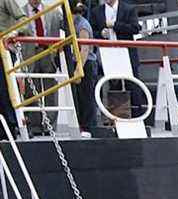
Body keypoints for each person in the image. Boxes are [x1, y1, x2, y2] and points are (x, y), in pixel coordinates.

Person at [89, 0, 143, 117]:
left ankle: (138, 117)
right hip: (108, 54)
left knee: (132, 84)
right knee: (113, 85)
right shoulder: (96, 12)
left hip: (127, 53)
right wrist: (101, 34)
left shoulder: (129, 9)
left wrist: (115, 25)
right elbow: (91, 32)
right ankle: (117, 117)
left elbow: (135, 28)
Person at [21, 0, 61, 134]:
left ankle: (50, 126)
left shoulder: (53, 11)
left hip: (48, 53)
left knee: (51, 90)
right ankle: (35, 126)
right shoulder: (20, 13)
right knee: (32, 90)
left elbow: (65, 25)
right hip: (29, 54)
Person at [67, 0, 98, 134]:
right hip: (78, 61)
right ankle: (82, 125)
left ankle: (88, 126)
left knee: (86, 96)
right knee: (79, 96)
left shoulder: (82, 25)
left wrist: (79, 69)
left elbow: (85, 49)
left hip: (86, 63)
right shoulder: (73, 23)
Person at [0, 0, 26, 133]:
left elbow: (24, 19)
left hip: (3, 51)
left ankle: (11, 127)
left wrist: (14, 32)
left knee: (5, 91)